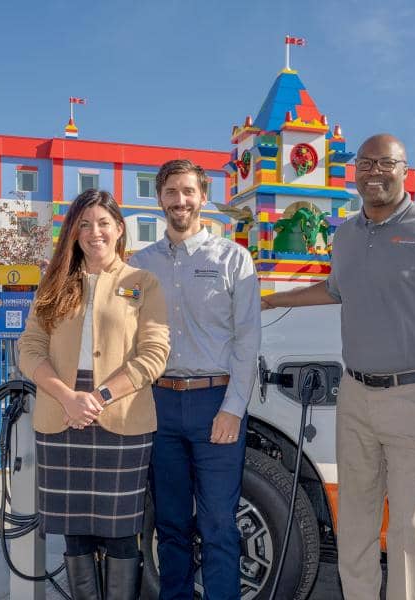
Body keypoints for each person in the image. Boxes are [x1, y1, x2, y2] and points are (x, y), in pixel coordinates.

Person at [261, 134, 415, 600]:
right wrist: (270, 299)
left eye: (385, 163)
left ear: (405, 170)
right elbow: (334, 290)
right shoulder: (345, 234)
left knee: (408, 527)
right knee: (355, 522)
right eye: (365, 163)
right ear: (354, 171)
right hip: (355, 396)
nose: (374, 172)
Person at [17, 189, 170, 600]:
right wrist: (68, 396)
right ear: (73, 232)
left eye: (103, 222)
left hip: (120, 420)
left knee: (122, 536)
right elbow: (29, 347)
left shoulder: (143, 283)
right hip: (62, 416)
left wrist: (97, 397)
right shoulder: (54, 283)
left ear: (119, 228)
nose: (93, 232)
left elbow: (154, 354)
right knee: (76, 536)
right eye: (83, 224)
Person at [129, 159, 261, 600]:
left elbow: (248, 340)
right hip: (158, 404)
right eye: (171, 192)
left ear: (203, 198)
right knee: (169, 524)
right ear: (159, 198)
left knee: (219, 524)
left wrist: (233, 408)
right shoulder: (139, 265)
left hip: (215, 404)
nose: (180, 200)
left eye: (189, 191)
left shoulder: (233, 259)